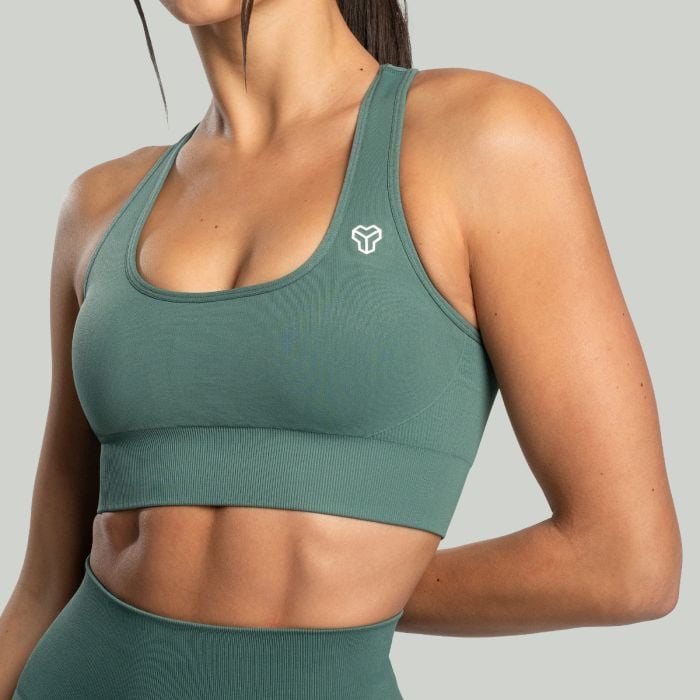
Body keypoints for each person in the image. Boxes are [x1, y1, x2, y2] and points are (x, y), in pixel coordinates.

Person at [1, 1, 682, 698]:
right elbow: (43, 586)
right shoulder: (101, 205)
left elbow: (625, 563)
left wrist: (347, 592)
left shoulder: (482, 139)